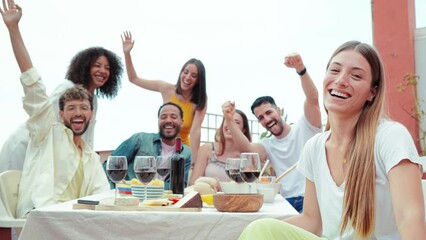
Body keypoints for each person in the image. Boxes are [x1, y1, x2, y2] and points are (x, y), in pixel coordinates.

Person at [239, 41, 426, 239]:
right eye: (335, 70)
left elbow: (409, 218)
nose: (341, 80)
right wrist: (264, 230)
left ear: (372, 92)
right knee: (259, 229)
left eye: (355, 75)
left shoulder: (390, 137)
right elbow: (312, 221)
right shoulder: (314, 147)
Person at [0, 0, 110, 218]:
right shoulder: (48, 133)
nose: (78, 112)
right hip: (43, 218)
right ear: (60, 114)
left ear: (91, 114)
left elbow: (102, 194)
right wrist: (14, 29)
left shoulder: (88, 156)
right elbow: (33, 84)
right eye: (71, 108)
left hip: (75, 222)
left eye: (84, 108)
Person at [0, 6, 123, 173]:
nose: (103, 71)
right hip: (25, 149)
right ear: (85, 67)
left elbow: (85, 139)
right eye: (97, 65)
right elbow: (43, 119)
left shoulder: (93, 99)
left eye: (107, 68)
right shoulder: (67, 88)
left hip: (50, 160)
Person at [246, 53, 322, 213]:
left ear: (278, 111)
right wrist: (230, 120)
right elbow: (247, 150)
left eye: (268, 112)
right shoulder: (267, 144)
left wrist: (301, 69)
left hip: (310, 199)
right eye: (261, 118)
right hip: (283, 202)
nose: (266, 119)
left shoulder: (305, 126)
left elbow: (313, 98)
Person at [121, 31, 207, 164]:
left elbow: (195, 131)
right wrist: (127, 53)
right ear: (181, 73)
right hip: (162, 145)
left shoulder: (200, 100)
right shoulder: (166, 89)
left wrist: (194, 162)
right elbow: (134, 79)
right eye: (185, 72)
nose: (188, 77)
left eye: (194, 76)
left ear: (198, 80)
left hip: (182, 149)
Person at [108, 102, 192, 190]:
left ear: (182, 122)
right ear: (158, 121)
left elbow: (179, 186)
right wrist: (118, 189)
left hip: (163, 201)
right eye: (163, 117)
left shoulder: (186, 153)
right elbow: (111, 164)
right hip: (132, 197)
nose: (168, 120)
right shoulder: (140, 138)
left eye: (173, 117)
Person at [189, 104, 266, 185]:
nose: (230, 125)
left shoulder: (253, 150)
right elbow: (192, 183)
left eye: (236, 122)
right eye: (227, 120)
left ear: (244, 129)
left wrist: (221, 186)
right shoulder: (207, 149)